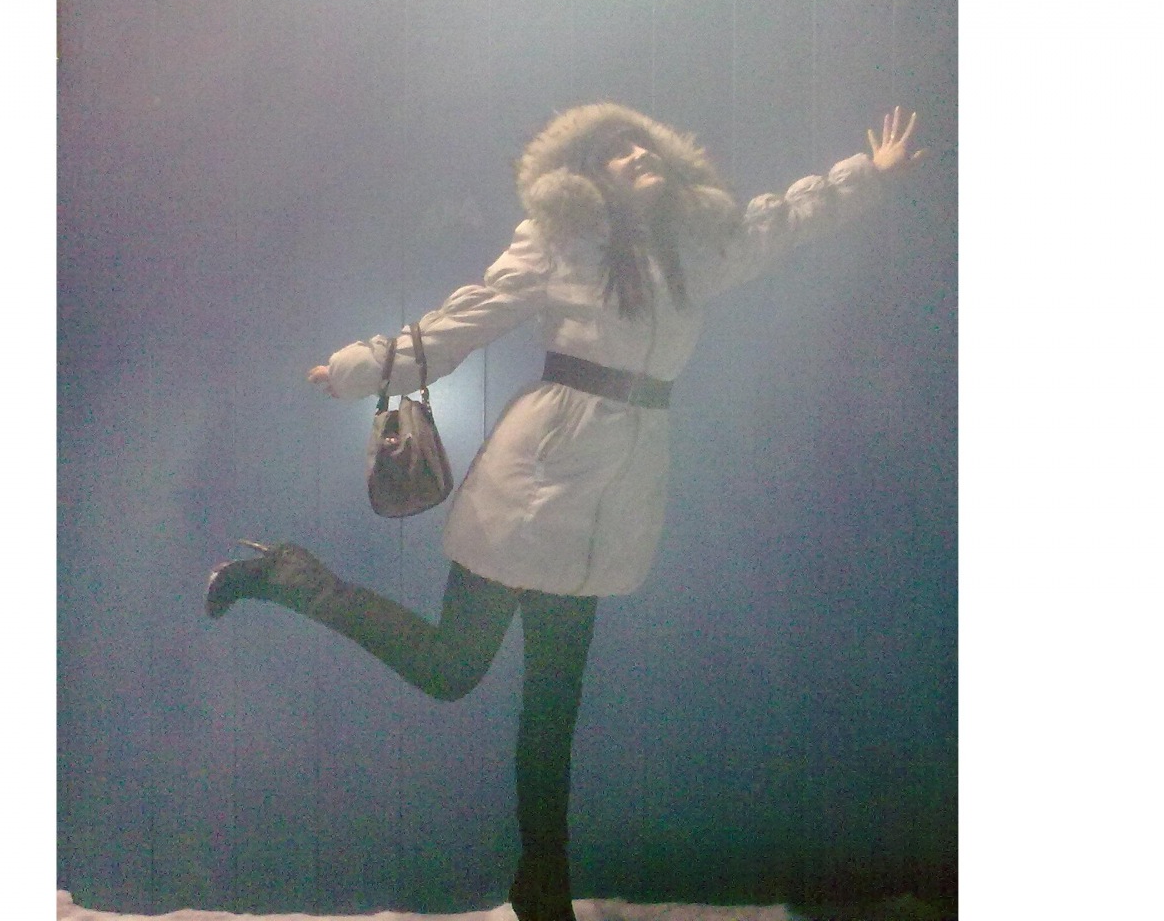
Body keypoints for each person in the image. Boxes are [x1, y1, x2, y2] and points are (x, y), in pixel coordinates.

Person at [206, 102, 923, 921]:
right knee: (451, 670)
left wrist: (869, 176)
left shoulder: (694, 248)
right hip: (537, 478)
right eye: (614, 150)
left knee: (553, 714)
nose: (635, 153)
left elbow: (778, 222)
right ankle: (293, 576)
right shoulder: (560, 241)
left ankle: (542, 891)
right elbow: (467, 314)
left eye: (642, 143)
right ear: (587, 174)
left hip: (612, 495)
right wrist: (365, 367)